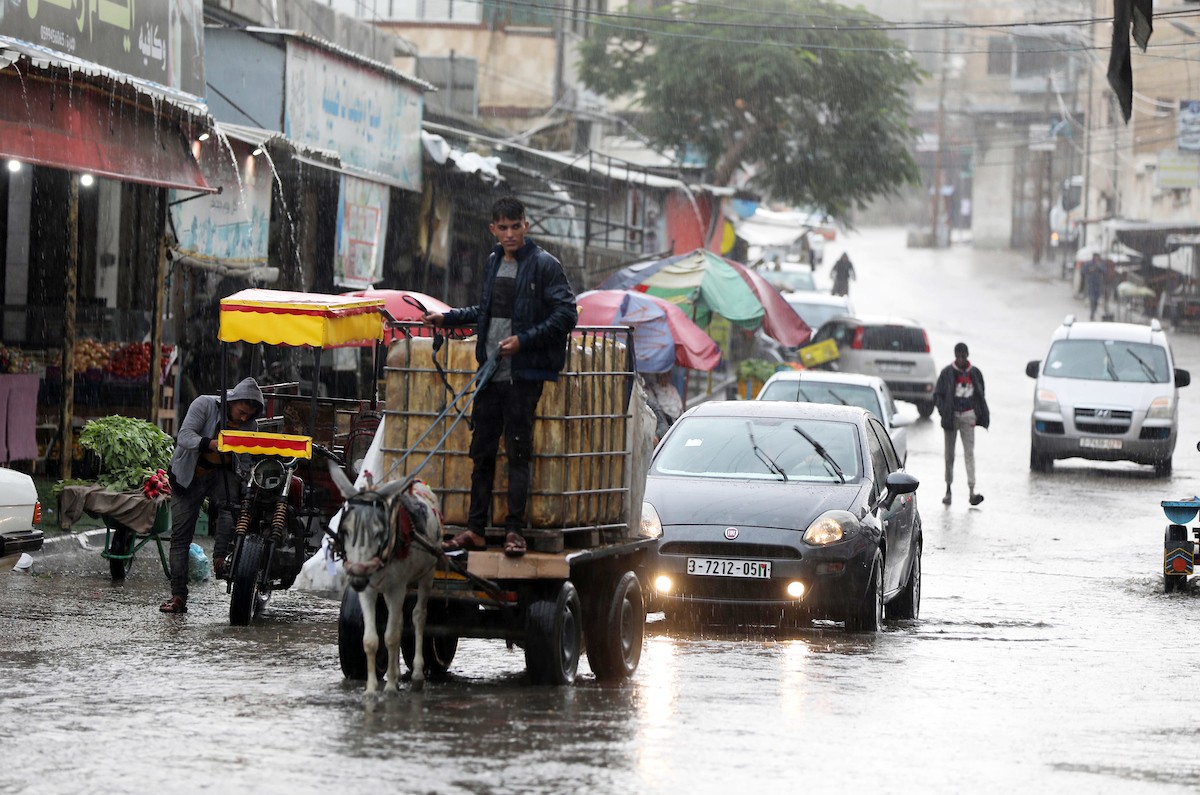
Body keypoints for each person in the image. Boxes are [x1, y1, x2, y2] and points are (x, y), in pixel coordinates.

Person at [424, 196, 577, 557]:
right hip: (489, 375)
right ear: (493, 229)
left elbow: (566, 314)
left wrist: (523, 341)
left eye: (515, 226)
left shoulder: (545, 265)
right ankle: (476, 529)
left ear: (526, 225)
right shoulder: (493, 262)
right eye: (502, 228)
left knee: (519, 453)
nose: (509, 233)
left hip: (523, 376)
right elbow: (487, 312)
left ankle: (514, 531)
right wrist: (449, 318)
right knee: (482, 452)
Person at [159, 377, 264, 614]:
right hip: (189, 475)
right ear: (232, 401)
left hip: (221, 475)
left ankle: (220, 558)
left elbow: (245, 459)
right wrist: (211, 444)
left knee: (231, 509)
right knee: (180, 537)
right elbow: (184, 436)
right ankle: (178, 596)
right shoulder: (204, 404)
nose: (244, 418)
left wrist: (247, 480)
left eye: (249, 415)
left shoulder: (250, 426)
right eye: (241, 412)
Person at [933, 343, 990, 507]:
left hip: (968, 417)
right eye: (958, 356)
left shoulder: (975, 373)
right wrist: (944, 411)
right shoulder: (947, 373)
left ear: (967, 356)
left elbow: (981, 393)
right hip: (951, 418)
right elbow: (938, 395)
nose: (961, 359)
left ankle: (972, 491)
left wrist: (977, 413)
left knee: (969, 454)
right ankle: (948, 490)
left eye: (963, 356)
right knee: (949, 455)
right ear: (955, 356)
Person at [1083, 252, 1105, 321]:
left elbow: (1105, 271)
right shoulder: (1089, 263)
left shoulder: (1100, 264)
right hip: (1091, 284)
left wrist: (1099, 267)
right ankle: (1092, 314)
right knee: (1092, 299)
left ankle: (1093, 312)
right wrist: (1090, 270)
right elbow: (1083, 271)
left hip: (1098, 284)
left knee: (1096, 300)